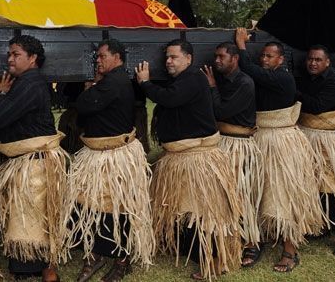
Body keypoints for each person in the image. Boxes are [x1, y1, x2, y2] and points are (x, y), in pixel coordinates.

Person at [137, 39, 241, 280]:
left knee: (205, 212)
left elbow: (169, 99)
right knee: (185, 210)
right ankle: (195, 251)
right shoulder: (182, 80)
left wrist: (145, 83)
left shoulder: (193, 79)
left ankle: (216, 260)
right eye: (167, 58)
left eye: (174, 57)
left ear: (189, 58)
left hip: (197, 160)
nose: (168, 62)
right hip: (180, 158)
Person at [62, 39, 154, 282]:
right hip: (97, 155)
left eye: (102, 56)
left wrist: (89, 88)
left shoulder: (114, 81)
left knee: (118, 208)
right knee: (91, 205)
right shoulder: (111, 81)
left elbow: (83, 105)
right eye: (97, 57)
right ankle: (96, 254)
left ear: (117, 57)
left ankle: (122, 260)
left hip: (115, 158)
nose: (98, 60)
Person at [235, 28, 323, 272]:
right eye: (263, 55)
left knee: (284, 194)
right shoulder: (263, 78)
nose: (264, 59)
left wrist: (241, 45)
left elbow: (249, 69)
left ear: (281, 60)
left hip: (281, 143)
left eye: (270, 56)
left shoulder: (283, 78)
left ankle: (290, 250)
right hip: (260, 140)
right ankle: (255, 240)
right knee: (257, 191)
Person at [0, 35, 69, 281]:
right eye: (9, 54)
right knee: (35, 218)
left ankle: (43, 272)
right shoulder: (27, 83)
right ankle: (45, 271)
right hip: (32, 163)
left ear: (33, 58)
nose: (10, 59)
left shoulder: (30, 84)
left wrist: (1, 95)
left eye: (16, 54)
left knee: (33, 218)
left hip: (34, 167)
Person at [201, 42, 263, 267]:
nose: (216, 60)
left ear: (235, 58)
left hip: (239, 146)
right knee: (224, 195)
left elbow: (221, 112)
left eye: (221, 57)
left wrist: (211, 87)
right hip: (222, 143)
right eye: (216, 56)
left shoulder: (244, 83)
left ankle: (253, 243)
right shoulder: (223, 80)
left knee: (242, 195)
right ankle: (229, 240)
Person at [295, 44, 335, 255]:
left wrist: (295, 94)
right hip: (308, 137)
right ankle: (320, 225)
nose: (313, 63)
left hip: (330, 142)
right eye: (310, 59)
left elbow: (316, 106)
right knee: (312, 186)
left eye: (318, 60)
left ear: (327, 62)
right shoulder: (303, 79)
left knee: (333, 187)